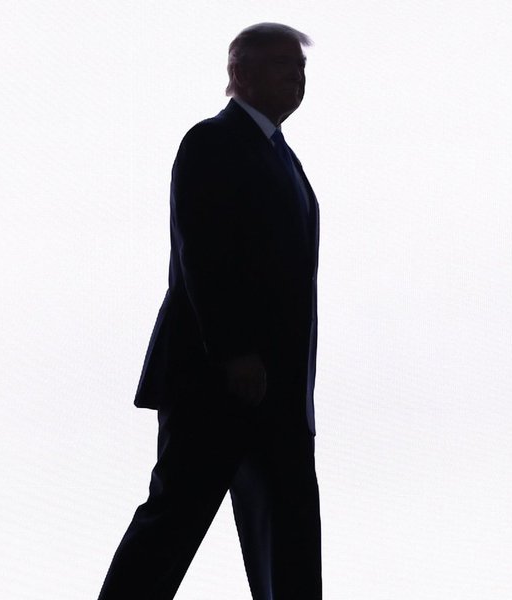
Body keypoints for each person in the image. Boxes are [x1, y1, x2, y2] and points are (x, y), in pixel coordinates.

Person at [97, 22, 322, 600]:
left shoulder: (281, 155)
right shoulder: (211, 142)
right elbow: (203, 254)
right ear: (239, 73)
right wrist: (234, 352)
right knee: (174, 520)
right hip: (215, 380)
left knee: (289, 529)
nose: (297, 76)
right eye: (282, 64)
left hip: (276, 390)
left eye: (300, 66)